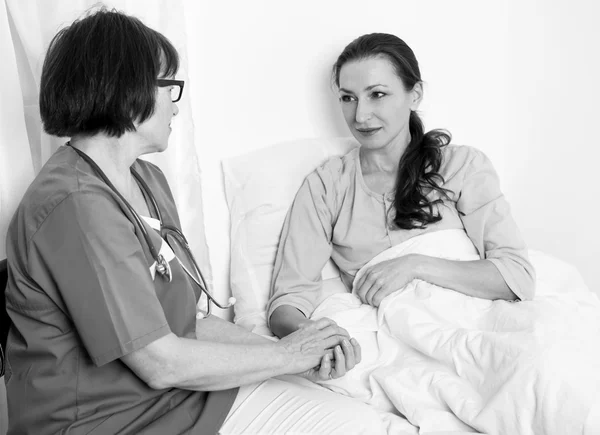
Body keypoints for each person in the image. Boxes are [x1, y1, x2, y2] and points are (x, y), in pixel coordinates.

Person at [3, 9, 385, 435]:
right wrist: (290, 356)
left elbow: (188, 325)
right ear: (128, 90)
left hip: (176, 399)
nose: (175, 106)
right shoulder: (74, 205)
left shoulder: (146, 179)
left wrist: (295, 360)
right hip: (106, 421)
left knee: (362, 418)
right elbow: (159, 362)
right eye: (169, 87)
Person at [268, 33, 536, 340]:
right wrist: (316, 338)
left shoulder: (461, 167)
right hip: (394, 338)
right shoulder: (327, 186)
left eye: (377, 94)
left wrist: (414, 266)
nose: (361, 115)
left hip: (477, 328)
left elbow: (517, 277)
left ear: (415, 94)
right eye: (348, 98)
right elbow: (287, 302)